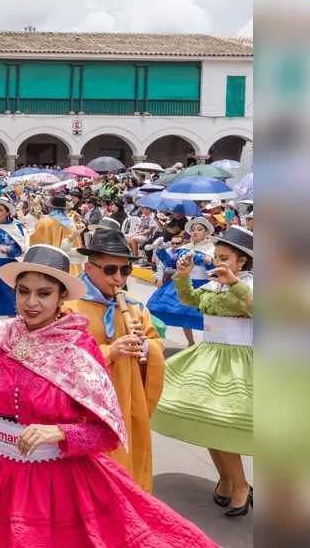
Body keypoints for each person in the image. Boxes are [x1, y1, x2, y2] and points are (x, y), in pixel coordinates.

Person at [0, 245, 216, 547]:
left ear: (62, 297)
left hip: (58, 480)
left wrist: (60, 432)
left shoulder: (79, 348)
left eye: (44, 293)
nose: (32, 302)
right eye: (24, 291)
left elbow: (107, 434)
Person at [151, 226, 254, 516]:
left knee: (221, 422)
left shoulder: (250, 283)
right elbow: (192, 302)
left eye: (225, 257)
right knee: (205, 420)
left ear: (242, 261)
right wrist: (183, 277)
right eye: (216, 257)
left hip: (237, 360)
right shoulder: (214, 283)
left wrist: (235, 283)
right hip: (208, 354)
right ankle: (226, 478)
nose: (218, 262)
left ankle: (242, 485)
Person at [63, 228, 166, 493]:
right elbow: (59, 358)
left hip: (126, 400)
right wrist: (109, 352)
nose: (119, 278)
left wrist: (146, 345)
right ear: (89, 267)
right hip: (85, 407)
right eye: (110, 270)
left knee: (125, 470)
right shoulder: (69, 306)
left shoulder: (134, 307)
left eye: (125, 270)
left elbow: (156, 345)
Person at [147, 217, 216, 347]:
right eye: (193, 229)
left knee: (207, 317)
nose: (195, 232)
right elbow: (170, 263)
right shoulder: (184, 248)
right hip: (183, 282)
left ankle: (209, 343)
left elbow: (215, 271)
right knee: (175, 311)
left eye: (199, 229)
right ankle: (190, 341)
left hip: (203, 285)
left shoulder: (212, 249)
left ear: (206, 232)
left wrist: (208, 262)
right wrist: (161, 251)